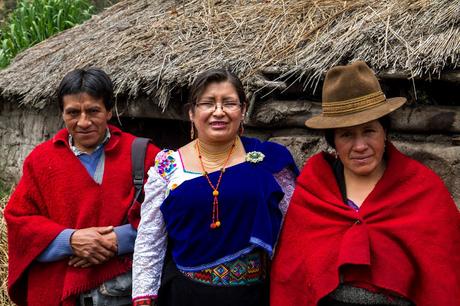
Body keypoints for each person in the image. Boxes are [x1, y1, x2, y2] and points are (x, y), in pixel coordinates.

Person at [270, 61, 460, 306]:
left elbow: (446, 275)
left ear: (385, 132)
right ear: (333, 141)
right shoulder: (315, 188)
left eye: (369, 131)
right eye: (347, 135)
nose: (360, 146)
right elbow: (292, 276)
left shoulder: (422, 188)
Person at [132, 68, 299, 306]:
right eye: (208, 103)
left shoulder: (269, 161)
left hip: (253, 296)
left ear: (242, 110)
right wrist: (143, 298)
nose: (218, 112)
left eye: (229, 103)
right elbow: (150, 239)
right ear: (191, 112)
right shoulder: (168, 167)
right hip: (187, 296)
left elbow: (292, 230)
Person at [4, 68, 160, 306]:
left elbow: (165, 216)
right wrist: (69, 240)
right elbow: (19, 220)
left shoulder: (144, 155)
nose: (83, 122)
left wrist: (117, 240)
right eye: (73, 113)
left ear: (109, 111)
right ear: (62, 114)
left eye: (93, 111)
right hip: (59, 291)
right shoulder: (41, 161)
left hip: (122, 293)